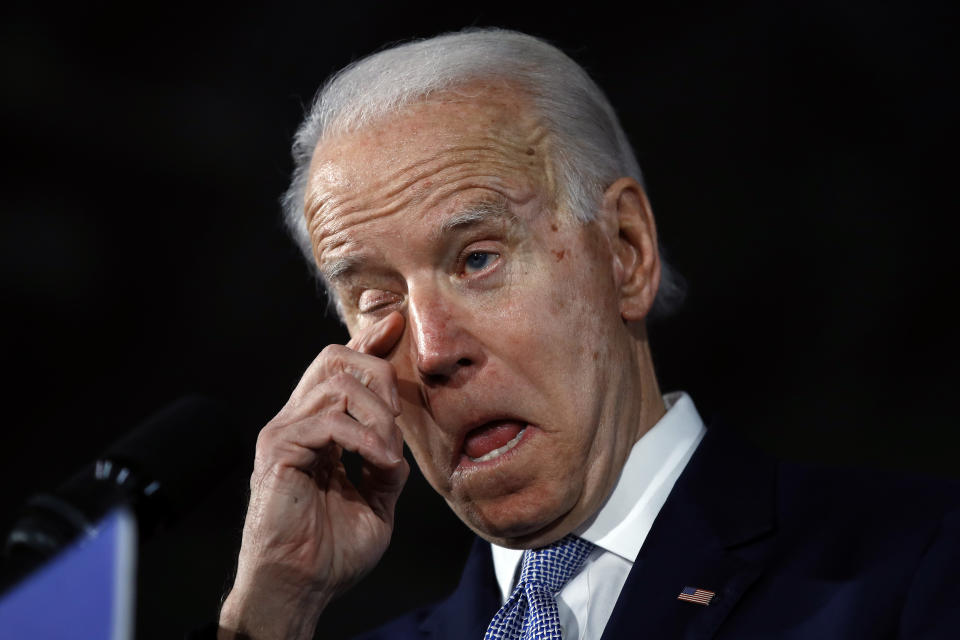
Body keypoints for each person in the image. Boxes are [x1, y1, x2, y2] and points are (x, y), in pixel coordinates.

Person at [211, 29, 959, 639]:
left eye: (477, 259)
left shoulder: (917, 567)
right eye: (377, 299)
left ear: (625, 251)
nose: (434, 352)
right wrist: (271, 613)